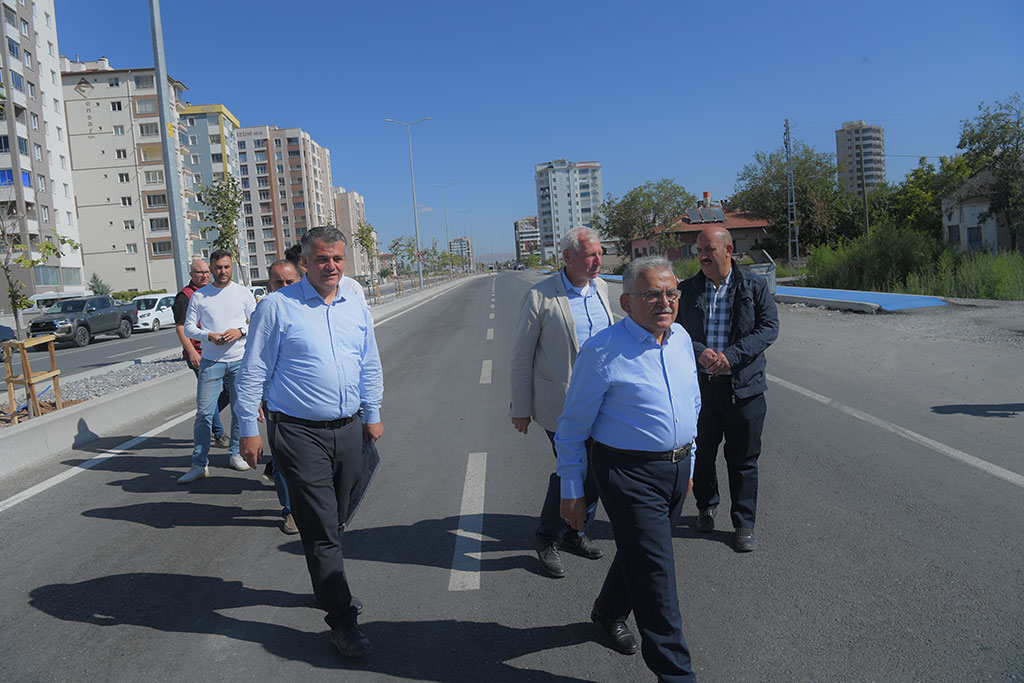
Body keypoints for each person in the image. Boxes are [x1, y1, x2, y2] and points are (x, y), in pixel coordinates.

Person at [235, 226, 383, 659]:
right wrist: (248, 426)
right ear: (304, 262)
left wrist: (372, 414)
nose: (331, 267)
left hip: (350, 429)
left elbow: (369, 363)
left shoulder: (355, 306)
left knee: (335, 520)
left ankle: (326, 571)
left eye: (337, 259)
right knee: (321, 529)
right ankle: (342, 620)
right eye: (321, 259)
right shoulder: (277, 307)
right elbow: (253, 371)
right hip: (298, 434)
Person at [556, 256, 700, 681]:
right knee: (657, 580)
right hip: (628, 474)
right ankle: (677, 676)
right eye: (652, 294)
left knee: (641, 554)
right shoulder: (602, 351)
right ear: (626, 302)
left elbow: (693, 403)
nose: (665, 302)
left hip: (674, 469)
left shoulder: (680, 339)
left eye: (671, 292)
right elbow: (571, 427)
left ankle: (607, 612)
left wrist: (688, 460)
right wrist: (571, 488)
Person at [509, 227, 612, 578]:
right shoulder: (541, 297)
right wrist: (520, 407)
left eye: (600, 253)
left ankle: (575, 531)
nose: (598, 260)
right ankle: (546, 537)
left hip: (605, 401)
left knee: (599, 469)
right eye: (590, 255)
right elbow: (521, 356)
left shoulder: (602, 289)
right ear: (567, 257)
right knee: (576, 468)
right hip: (563, 403)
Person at [676, 226, 779, 552]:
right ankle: (705, 508)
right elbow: (671, 328)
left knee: (744, 460)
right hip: (702, 391)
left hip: (744, 389)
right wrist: (699, 351)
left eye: (709, 248)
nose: (703, 255)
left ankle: (743, 523)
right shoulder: (687, 289)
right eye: (699, 250)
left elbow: (769, 328)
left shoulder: (753, 285)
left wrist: (730, 357)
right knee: (703, 455)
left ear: (728, 249)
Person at [178, 250, 257, 484]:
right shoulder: (200, 296)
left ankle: (235, 453)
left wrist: (240, 331)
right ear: (211, 269)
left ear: (231, 267)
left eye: (226, 267)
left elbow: (257, 322)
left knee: (238, 411)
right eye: (218, 267)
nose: (222, 271)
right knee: (203, 413)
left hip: (239, 360)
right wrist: (208, 336)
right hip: (211, 362)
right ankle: (199, 463)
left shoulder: (243, 293)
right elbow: (188, 328)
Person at [261, 259, 301, 535]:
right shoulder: (264, 312)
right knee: (283, 461)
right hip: (277, 402)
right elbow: (255, 365)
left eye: (290, 282)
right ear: (270, 285)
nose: (285, 287)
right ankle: (290, 511)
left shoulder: (312, 309)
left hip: (308, 401)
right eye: (279, 282)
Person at [173, 258, 230, 450]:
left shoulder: (210, 292)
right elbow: (181, 328)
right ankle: (219, 433)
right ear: (191, 275)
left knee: (227, 393)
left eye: (207, 272)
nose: (204, 275)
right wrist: (191, 353)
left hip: (219, 352)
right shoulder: (186, 296)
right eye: (200, 273)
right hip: (199, 353)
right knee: (211, 394)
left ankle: (206, 415)